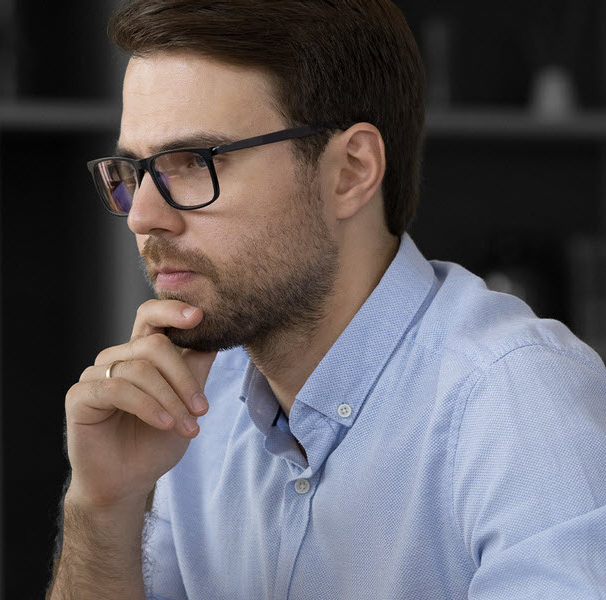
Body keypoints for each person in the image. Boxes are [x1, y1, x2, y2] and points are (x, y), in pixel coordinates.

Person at [47, 1, 606, 598]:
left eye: (192, 163)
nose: (144, 218)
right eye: (134, 171)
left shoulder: (517, 403)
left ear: (350, 171)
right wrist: (103, 507)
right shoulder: (186, 409)